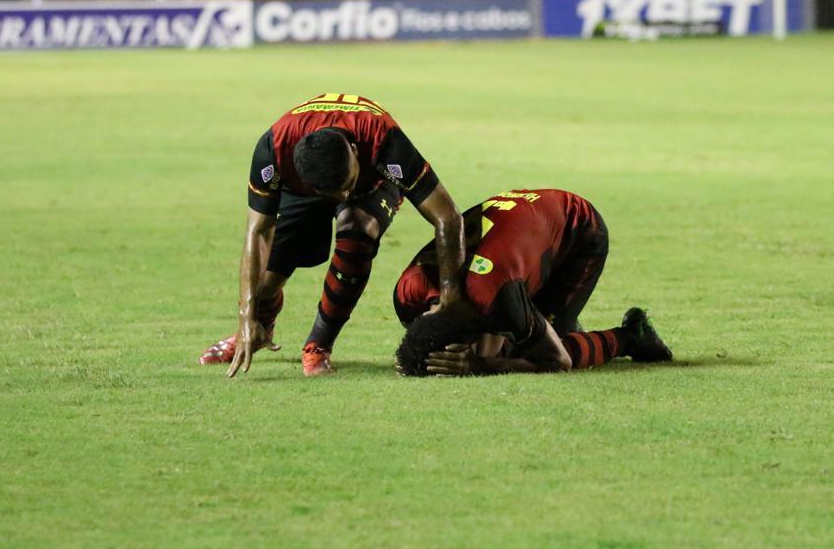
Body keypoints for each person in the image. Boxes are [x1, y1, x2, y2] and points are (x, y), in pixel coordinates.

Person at [200, 93, 466, 377]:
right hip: (307, 189)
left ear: (354, 150)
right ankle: (257, 329)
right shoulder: (274, 149)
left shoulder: (385, 140)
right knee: (265, 280)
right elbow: (259, 233)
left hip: (373, 183)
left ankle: (319, 345)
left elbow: (448, 217)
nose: (344, 196)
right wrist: (246, 316)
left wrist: (450, 298)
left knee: (357, 231)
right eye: (336, 193)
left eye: (348, 184)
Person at [393, 189, 671, 376]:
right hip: (521, 226)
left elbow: (558, 361)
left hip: (577, 229)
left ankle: (631, 336)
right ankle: (545, 321)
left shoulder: (493, 295)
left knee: (539, 349)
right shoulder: (407, 295)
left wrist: (481, 365)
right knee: (511, 336)